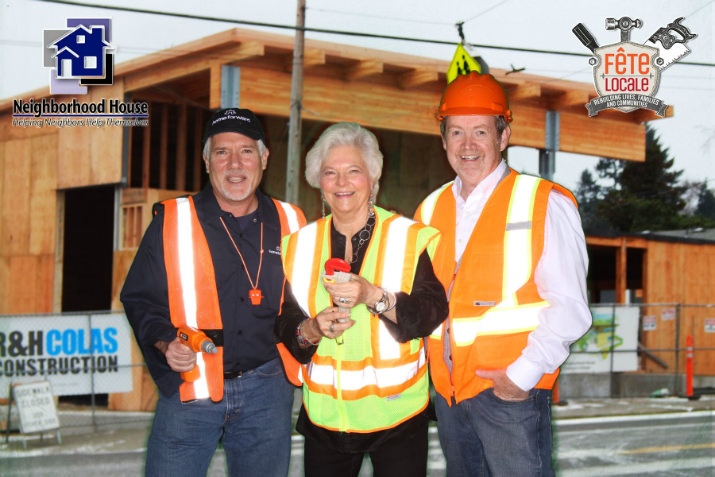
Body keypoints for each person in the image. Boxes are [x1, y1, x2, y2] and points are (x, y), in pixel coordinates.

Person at [415, 72, 592, 476]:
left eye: (480, 131)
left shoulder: (543, 202)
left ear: (504, 135)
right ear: (443, 140)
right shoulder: (429, 208)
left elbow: (569, 307)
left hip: (510, 393)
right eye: (457, 132)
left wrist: (521, 377)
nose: (468, 145)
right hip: (449, 395)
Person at [120, 108, 306, 477]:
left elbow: (301, 304)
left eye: (246, 151)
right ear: (207, 161)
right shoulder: (173, 220)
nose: (235, 163)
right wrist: (164, 343)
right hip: (193, 387)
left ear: (264, 158)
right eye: (222, 152)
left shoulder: (292, 221)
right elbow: (140, 298)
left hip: (267, 391)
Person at [274, 122, 448, 477]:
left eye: (354, 171)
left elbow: (431, 313)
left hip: (397, 416)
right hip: (326, 420)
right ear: (318, 183)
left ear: (373, 179)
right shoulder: (299, 245)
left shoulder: (406, 236)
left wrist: (374, 296)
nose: (341, 183)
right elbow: (285, 323)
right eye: (330, 173)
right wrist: (311, 328)